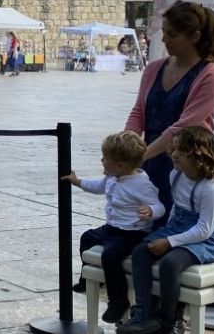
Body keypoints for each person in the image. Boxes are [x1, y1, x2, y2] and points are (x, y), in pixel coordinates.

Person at [118, 127, 214, 334]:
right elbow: (176, 210)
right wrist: (166, 233)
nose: (175, 154)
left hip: (208, 238)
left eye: (182, 150)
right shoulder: (176, 175)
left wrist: (170, 242)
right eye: (175, 149)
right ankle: (144, 312)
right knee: (141, 252)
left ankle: (166, 320)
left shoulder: (211, 189)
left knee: (171, 264)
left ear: (200, 154)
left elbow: (204, 230)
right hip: (180, 227)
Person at [124, 0, 214, 219]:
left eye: (172, 34)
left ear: (194, 37)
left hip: (185, 164)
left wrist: (141, 155)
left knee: (171, 225)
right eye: (164, 32)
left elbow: (184, 125)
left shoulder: (210, 76)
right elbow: (139, 112)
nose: (164, 39)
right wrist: (128, 143)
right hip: (149, 158)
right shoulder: (154, 69)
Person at [62, 131, 165, 324]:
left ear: (120, 165)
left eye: (105, 158)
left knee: (110, 256)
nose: (102, 160)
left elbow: (160, 206)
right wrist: (78, 182)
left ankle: (118, 301)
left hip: (132, 233)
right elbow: (98, 186)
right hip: (112, 228)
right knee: (87, 237)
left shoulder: (142, 184)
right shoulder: (112, 177)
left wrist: (150, 210)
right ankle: (88, 278)